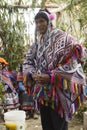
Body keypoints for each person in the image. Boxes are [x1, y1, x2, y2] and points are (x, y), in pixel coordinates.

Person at [23, 8, 87, 130]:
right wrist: (32, 74)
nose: (39, 25)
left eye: (42, 21)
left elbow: (76, 57)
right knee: (46, 125)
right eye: (36, 22)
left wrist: (52, 76)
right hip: (43, 93)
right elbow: (28, 61)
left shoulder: (62, 37)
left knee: (59, 126)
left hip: (58, 93)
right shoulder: (37, 43)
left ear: (48, 22)